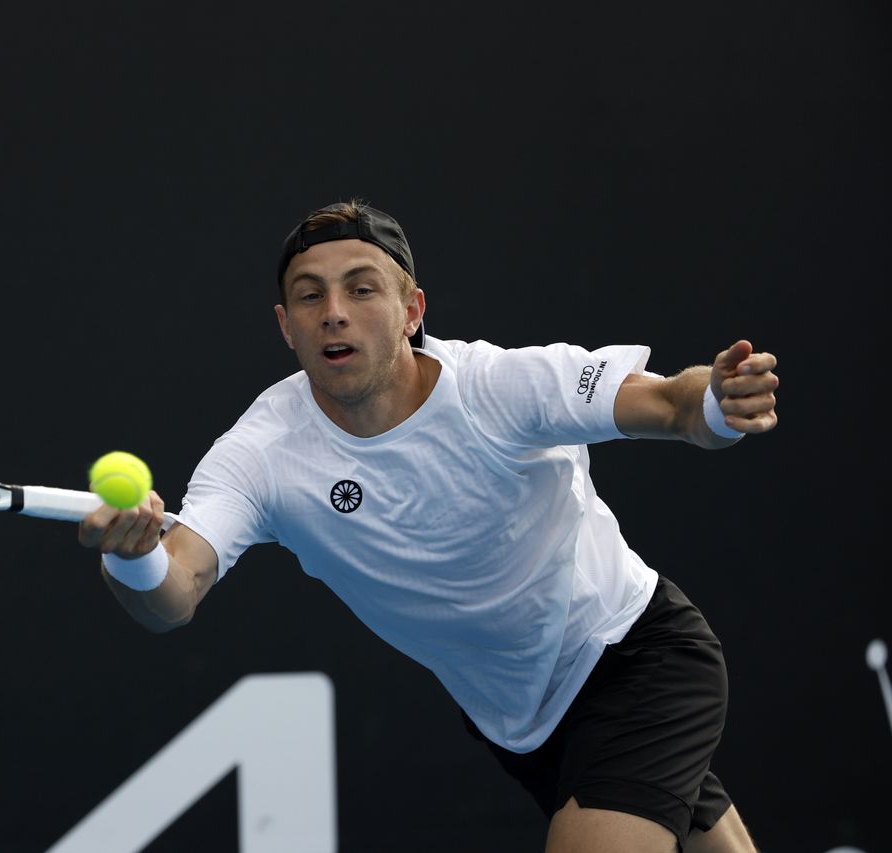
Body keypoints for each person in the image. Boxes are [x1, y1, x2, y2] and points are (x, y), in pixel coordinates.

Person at [78, 200, 777, 853]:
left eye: (361, 289)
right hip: (522, 722)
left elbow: (669, 404)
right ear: (286, 326)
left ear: (411, 309)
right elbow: (180, 585)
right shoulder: (262, 453)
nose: (334, 314)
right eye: (310, 295)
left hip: (632, 656)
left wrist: (717, 403)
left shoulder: (499, 387)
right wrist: (136, 559)